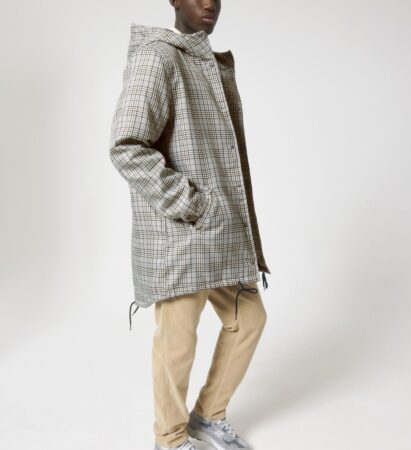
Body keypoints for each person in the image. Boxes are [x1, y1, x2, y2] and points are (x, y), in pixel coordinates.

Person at [108, 1, 271, 449]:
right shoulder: (157, 57)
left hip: (220, 233)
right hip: (182, 236)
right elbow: (127, 147)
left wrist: (214, 211)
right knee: (177, 345)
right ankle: (170, 438)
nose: (209, 3)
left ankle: (207, 416)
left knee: (249, 319)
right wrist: (191, 203)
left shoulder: (206, 63)